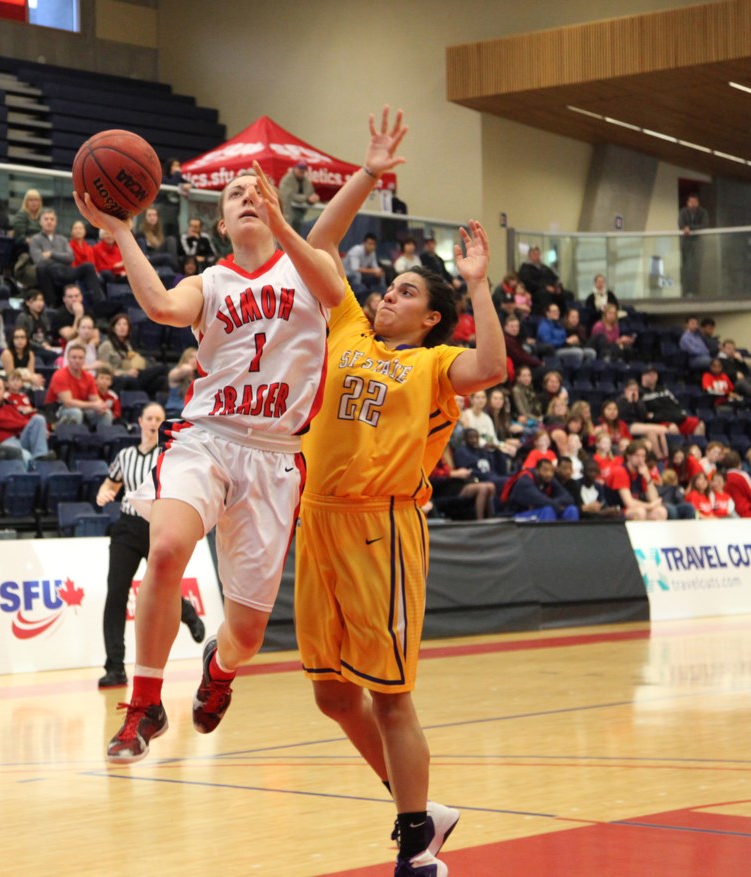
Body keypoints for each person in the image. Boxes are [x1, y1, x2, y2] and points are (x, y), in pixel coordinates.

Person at [74, 148, 345, 766]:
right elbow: (162, 308)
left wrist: (283, 228)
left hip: (275, 457)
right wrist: (119, 230)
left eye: (258, 190)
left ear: (277, 205)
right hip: (206, 438)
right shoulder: (213, 282)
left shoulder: (308, 267)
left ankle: (218, 668)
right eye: (234, 195)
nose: (248, 197)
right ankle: (144, 702)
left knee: (247, 636)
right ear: (220, 223)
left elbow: (333, 289)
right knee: (166, 549)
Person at [296, 109, 505, 877]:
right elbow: (319, 246)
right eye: (391, 285)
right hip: (316, 519)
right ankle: (419, 808)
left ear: (432, 317)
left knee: (388, 695)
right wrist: (369, 173)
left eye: (407, 291)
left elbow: (493, 364)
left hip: (381, 527)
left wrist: (478, 286)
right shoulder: (351, 330)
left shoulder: (435, 366)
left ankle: (418, 845)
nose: (388, 294)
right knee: (329, 694)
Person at [96, 402, 206, 688]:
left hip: (157, 526)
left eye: (159, 418)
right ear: (140, 421)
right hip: (126, 528)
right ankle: (115, 667)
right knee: (116, 594)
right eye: (150, 418)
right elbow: (110, 484)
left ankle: (188, 613)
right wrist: (103, 495)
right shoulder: (125, 456)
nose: (154, 422)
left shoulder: (168, 455)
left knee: (162, 585)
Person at [29, 208, 105, 306]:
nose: (49, 222)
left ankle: (99, 302)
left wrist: (51, 254)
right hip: (49, 271)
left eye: (52, 219)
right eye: (46, 219)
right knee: (41, 268)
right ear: (40, 222)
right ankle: (52, 304)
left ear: (56, 222)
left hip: (66, 270)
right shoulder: (35, 239)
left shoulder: (63, 239)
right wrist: (61, 257)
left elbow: (70, 257)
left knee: (88, 266)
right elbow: (38, 259)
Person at [0, 375, 51, 467]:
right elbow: (6, 422)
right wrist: (28, 424)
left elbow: (22, 419)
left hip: (19, 439)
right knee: (26, 456)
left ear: (4, 391)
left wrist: (43, 429)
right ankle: (38, 466)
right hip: (2, 444)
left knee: (38, 419)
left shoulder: (8, 407)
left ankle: (40, 457)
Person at [44, 340, 114, 427]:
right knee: (75, 413)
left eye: (81, 358)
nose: (77, 361)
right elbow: (68, 402)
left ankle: (103, 439)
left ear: (84, 360)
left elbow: (95, 399)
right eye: (74, 357)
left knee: (106, 414)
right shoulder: (60, 375)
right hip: (58, 409)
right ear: (68, 359)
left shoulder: (88, 377)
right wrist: (93, 405)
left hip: (82, 408)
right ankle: (71, 439)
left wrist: (101, 406)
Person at [605, 439, 669, 521]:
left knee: (661, 511)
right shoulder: (620, 471)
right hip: (616, 510)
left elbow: (654, 498)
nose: (641, 460)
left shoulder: (642, 471)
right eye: (637, 456)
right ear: (628, 457)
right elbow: (629, 503)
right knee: (639, 512)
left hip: (633, 508)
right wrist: (650, 506)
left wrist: (647, 477)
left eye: (643, 456)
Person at [638, 365, 705, 437]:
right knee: (673, 428)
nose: (652, 376)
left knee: (699, 424)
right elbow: (647, 415)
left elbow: (676, 405)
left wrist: (679, 415)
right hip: (659, 422)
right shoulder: (640, 392)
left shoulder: (664, 390)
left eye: (654, 374)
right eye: (649, 374)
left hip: (675, 418)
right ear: (643, 376)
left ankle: (694, 447)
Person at [507, 458, 578, 521]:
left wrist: (555, 503)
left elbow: (569, 498)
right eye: (545, 470)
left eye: (551, 471)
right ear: (537, 470)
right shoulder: (525, 481)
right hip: (516, 516)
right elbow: (540, 500)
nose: (549, 474)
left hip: (539, 512)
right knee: (548, 510)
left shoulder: (549, 479)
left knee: (572, 510)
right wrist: (557, 505)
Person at [537, 303, 594, 367]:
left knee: (590, 352)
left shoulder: (559, 324)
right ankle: (575, 373)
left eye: (558, 311)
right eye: (554, 311)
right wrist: (566, 342)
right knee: (577, 352)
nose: (557, 313)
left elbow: (564, 339)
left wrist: (574, 342)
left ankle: (585, 372)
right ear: (547, 313)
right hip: (554, 351)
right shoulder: (544, 325)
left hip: (565, 347)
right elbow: (547, 343)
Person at [15, 289, 59, 364]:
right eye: (35, 300)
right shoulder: (23, 317)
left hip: (44, 346)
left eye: (41, 300)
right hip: (30, 348)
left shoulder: (43, 316)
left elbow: (48, 333)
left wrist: (47, 343)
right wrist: (41, 345)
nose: (39, 303)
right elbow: (23, 338)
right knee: (52, 355)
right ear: (27, 303)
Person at [277, 160, 320, 233]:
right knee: (285, 234)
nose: (302, 170)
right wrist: (306, 198)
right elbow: (288, 196)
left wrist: (314, 199)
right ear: (295, 168)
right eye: (300, 168)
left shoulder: (306, 181)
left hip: (300, 216)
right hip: (287, 213)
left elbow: (310, 194)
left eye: (304, 169)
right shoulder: (287, 180)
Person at [678, 193, 709, 296]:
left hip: (698, 243)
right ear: (688, 203)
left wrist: (689, 228)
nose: (693, 204)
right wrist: (686, 228)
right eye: (691, 202)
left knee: (697, 268)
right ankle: (685, 292)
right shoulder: (683, 212)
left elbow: (704, 225)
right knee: (686, 267)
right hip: (686, 243)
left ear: (698, 203)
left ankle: (696, 292)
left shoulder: (703, 212)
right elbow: (681, 224)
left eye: (695, 202)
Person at [721, 450, 751, 517]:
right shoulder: (742, 475)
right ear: (739, 464)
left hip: (728, 512)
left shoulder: (723, 477)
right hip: (745, 511)